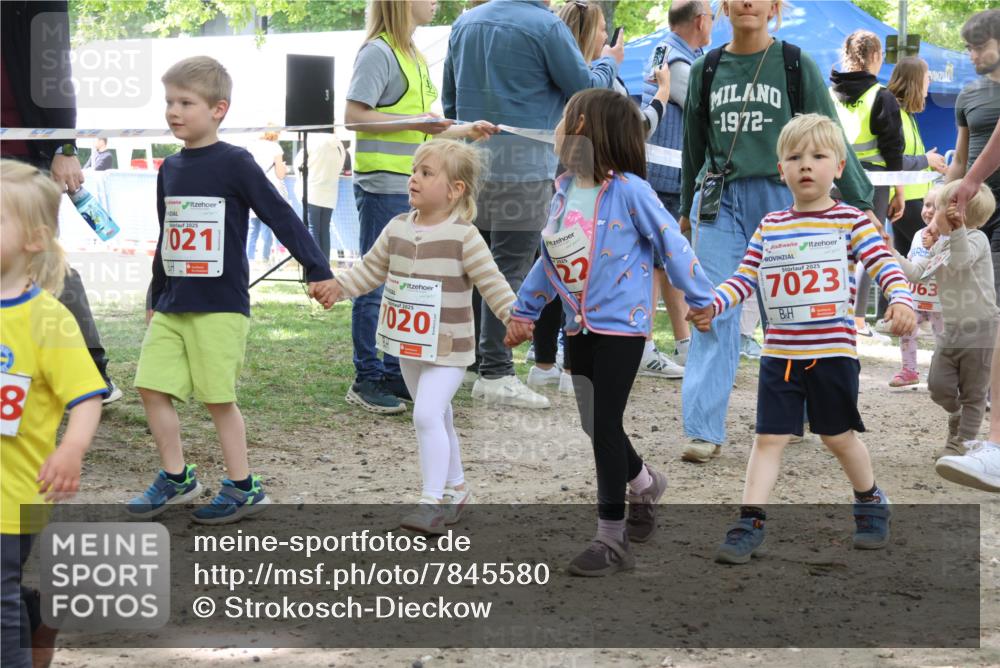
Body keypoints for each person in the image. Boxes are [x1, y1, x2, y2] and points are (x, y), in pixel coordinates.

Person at [686, 114, 915, 564]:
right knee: (768, 439)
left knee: (837, 437)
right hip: (780, 357)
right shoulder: (770, 226)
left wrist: (902, 298)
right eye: (794, 157)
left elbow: (884, 263)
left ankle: (870, 500)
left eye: (818, 156)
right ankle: (750, 521)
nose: (805, 164)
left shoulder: (851, 221)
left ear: (839, 167)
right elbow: (743, 278)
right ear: (780, 169)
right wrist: (714, 304)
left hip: (832, 354)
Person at [505, 89, 717, 576]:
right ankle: (645, 483)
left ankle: (611, 537)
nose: (557, 128)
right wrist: (525, 311)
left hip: (622, 329)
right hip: (577, 326)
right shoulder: (562, 191)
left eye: (564, 119)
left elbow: (671, 243)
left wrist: (700, 298)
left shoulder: (630, 192)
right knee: (593, 422)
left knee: (603, 424)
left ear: (584, 130)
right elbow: (550, 259)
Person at [125, 57, 335, 524]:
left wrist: (316, 268)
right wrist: (155, 294)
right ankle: (176, 478)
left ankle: (243, 486)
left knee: (217, 397)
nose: (173, 111)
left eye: (186, 103)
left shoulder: (236, 162)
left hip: (220, 305)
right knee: (150, 386)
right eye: (169, 102)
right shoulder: (170, 167)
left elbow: (280, 215)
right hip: (173, 304)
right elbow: (168, 235)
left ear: (218, 109)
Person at [677, 0, 876, 464]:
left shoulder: (794, 63)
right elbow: (693, 143)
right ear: (725, 6)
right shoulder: (706, 68)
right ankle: (703, 428)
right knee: (714, 306)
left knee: (791, 310)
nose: (748, 2)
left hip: (782, 199)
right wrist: (687, 207)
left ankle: (800, 409)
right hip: (719, 199)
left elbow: (829, 134)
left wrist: (861, 200)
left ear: (773, 7)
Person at [322, 139, 516, 532]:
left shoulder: (464, 236)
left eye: (426, 173)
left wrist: (515, 317)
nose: (413, 178)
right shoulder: (396, 227)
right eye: (414, 170)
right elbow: (369, 270)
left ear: (455, 189)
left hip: (449, 349)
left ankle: (431, 503)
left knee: (425, 414)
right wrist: (337, 287)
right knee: (438, 417)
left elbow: (492, 282)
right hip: (406, 346)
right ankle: (457, 489)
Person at [443, 0, 622, 409]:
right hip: (523, 170)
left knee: (478, 266)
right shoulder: (546, 26)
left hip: (472, 164)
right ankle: (496, 371)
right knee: (509, 269)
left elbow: (450, 101)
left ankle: (476, 363)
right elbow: (585, 89)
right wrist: (609, 62)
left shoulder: (465, 23)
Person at [345, 0, 496, 415]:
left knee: (407, 282)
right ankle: (367, 376)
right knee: (375, 281)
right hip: (383, 185)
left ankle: (394, 370)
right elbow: (354, 116)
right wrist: (415, 122)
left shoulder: (413, 55)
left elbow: (425, 130)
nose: (436, 3)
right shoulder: (378, 52)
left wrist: (464, 130)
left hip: (411, 188)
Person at [1, 160, 106, 668]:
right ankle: (37, 615)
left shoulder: (48, 320)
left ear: (34, 239)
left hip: (13, 494)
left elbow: (86, 396)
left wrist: (71, 449)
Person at [0, 0, 122, 406]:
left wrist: (64, 147)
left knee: (43, 262)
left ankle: (92, 372)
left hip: (23, 156)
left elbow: (54, 72)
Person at [894, 180, 998, 459]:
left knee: (974, 393)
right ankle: (957, 413)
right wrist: (890, 252)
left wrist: (958, 230)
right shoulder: (942, 245)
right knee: (938, 386)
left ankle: (960, 445)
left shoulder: (977, 239)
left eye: (937, 208)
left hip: (982, 329)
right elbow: (917, 273)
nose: (930, 213)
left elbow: (962, 261)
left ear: (955, 215)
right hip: (951, 328)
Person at [642, 0, 715, 370]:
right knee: (657, 262)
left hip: (662, 175)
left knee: (668, 261)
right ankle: (644, 348)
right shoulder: (680, 63)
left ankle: (683, 343)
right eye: (712, 18)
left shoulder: (665, 51)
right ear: (700, 21)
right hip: (665, 177)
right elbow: (707, 112)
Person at [830, 29, 907, 341]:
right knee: (868, 247)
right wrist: (900, 190)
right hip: (873, 184)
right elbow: (893, 149)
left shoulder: (829, 93)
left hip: (834, 179)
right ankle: (857, 320)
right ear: (875, 56)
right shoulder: (881, 96)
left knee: (834, 250)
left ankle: (834, 315)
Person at [946, 9, 1000, 304]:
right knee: (972, 299)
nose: (972, 55)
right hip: (974, 210)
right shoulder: (967, 95)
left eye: (980, 46)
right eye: (969, 48)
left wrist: (971, 182)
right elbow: (959, 159)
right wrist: (941, 202)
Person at [888, 186, 944, 388]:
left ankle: (941, 373)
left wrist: (935, 246)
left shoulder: (951, 237)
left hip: (940, 303)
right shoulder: (918, 234)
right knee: (906, 332)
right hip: (916, 299)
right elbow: (912, 263)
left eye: (935, 207)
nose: (928, 211)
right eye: (926, 205)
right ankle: (909, 370)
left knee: (943, 340)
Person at [293, 131, 346, 261]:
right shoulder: (339, 144)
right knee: (324, 230)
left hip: (312, 191)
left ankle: (316, 264)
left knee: (313, 228)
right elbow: (340, 166)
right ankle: (325, 264)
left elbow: (298, 164)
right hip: (330, 193)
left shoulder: (311, 141)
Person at [245, 128, 287, 265]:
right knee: (267, 226)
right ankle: (264, 259)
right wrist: (284, 168)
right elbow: (280, 174)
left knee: (252, 227)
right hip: (269, 187)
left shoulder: (252, 146)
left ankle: (249, 259)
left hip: (252, 187)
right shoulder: (275, 147)